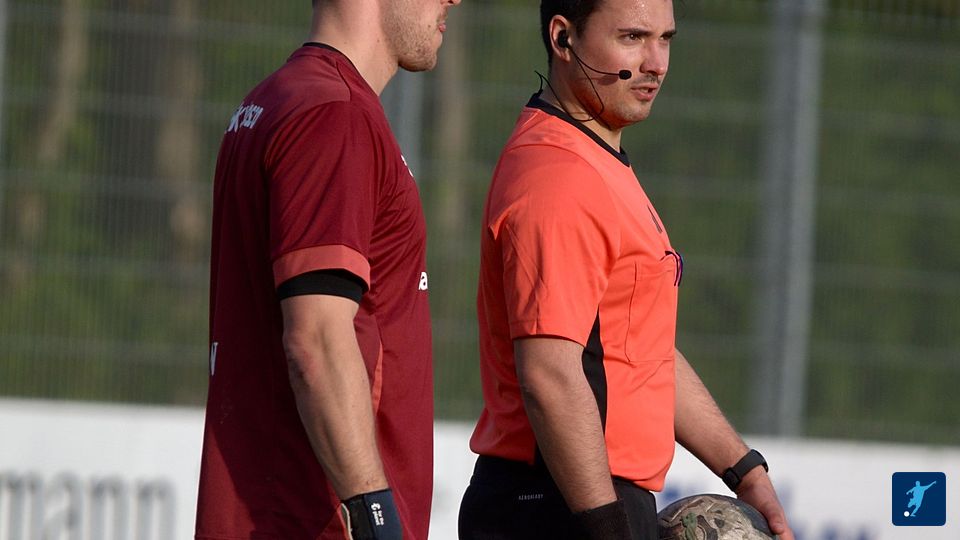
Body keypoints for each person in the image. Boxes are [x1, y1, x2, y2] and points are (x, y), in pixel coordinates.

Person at [458, 1, 794, 539]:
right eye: (633, 37)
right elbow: (549, 373)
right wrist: (608, 528)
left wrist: (742, 468)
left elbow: (635, 349)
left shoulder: (594, 159)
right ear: (563, 38)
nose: (656, 62)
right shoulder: (559, 176)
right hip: (558, 503)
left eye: (666, 39)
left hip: (581, 500)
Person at [195, 0, 461, 539]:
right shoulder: (334, 113)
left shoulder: (276, 98)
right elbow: (315, 341)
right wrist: (377, 519)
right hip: (312, 520)